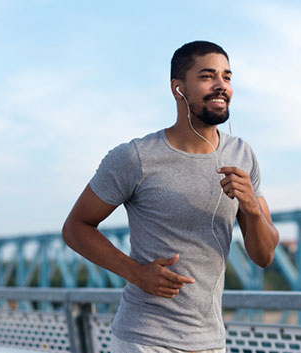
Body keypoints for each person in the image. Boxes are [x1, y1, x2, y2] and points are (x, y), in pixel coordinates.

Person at [62, 40, 279, 353]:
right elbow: (75, 228)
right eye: (208, 76)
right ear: (178, 88)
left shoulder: (242, 155)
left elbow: (263, 256)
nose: (221, 86)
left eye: (227, 77)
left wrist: (252, 210)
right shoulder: (135, 157)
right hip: (143, 340)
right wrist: (136, 273)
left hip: (211, 343)